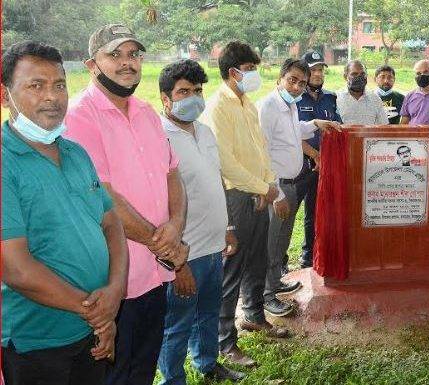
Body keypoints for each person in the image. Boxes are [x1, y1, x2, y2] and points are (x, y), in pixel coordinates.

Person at [65, 24, 189, 385]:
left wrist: (176, 226)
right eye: (114, 54)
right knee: (113, 375)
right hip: (114, 283)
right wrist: (161, 241)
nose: (127, 63)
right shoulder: (79, 117)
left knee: (143, 369)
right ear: (92, 65)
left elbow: (172, 174)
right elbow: (101, 195)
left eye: (133, 54)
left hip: (155, 275)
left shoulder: (147, 112)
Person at [1, 41, 127, 385]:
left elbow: (111, 224)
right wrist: (98, 313)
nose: (52, 97)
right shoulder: (4, 162)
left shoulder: (75, 152)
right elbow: (15, 269)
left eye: (59, 85)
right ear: (5, 94)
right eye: (35, 85)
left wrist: (114, 293)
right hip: (38, 341)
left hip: (90, 332)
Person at [198, 41, 289, 369]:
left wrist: (270, 185)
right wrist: (263, 186)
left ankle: (253, 316)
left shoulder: (247, 103)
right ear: (232, 72)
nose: (255, 75)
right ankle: (226, 341)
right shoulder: (217, 107)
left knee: (257, 260)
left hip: (259, 194)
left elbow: (260, 149)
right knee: (231, 271)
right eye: (250, 69)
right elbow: (226, 162)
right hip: (236, 196)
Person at [155, 59, 246, 384]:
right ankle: (173, 379)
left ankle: (208, 365)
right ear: (166, 98)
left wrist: (228, 228)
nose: (192, 97)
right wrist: (176, 262)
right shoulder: (158, 138)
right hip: (185, 254)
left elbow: (215, 180)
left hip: (213, 246)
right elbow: (158, 204)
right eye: (183, 92)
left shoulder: (205, 132)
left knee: (208, 314)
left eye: (196, 90)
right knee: (178, 323)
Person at [257, 59, 339, 319]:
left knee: (281, 240)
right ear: (280, 78)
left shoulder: (290, 105)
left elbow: (294, 133)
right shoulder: (268, 107)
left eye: (302, 83)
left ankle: (275, 282)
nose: (296, 86)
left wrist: (315, 122)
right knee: (270, 242)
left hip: (291, 184)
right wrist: (276, 193)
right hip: (277, 187)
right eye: (292, 80)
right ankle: (265, 296)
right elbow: (260, 152)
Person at [296, 51, 342, 268]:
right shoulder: (295, 98)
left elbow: (338, 128)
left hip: (323, 166)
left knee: (315, 211)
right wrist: (314, 155)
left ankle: (310, 254)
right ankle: (281, 264)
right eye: (313, 70)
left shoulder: (330, 98)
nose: (317, 74)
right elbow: (290, 134)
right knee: (289, 213)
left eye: (320, 70)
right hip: (299, 165)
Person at [337, 60, 389, 125]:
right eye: (354, 74)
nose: (359, 77)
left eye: (362, 74)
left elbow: (383, 126)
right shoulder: (337, 98)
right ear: (345, 77)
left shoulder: (375, 99)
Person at [400, 59, 429, 125]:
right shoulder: (410, 95)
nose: (422, 75)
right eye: (418, 73)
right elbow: (404, 121)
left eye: (426, 72)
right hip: (413, 134)